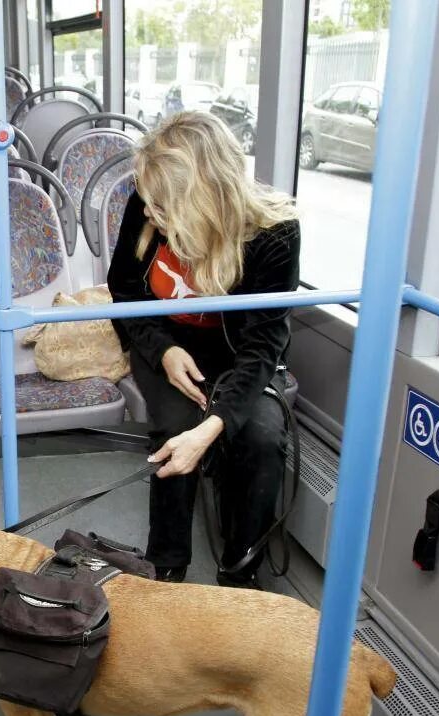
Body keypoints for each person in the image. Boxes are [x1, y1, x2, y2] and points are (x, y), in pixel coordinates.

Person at [106, 111, 300, 590]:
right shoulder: (147, 200)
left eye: (160, 208)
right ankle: (166, 567)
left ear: (199, 202)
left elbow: (261, 346)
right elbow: (125, 290)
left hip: (240, 354)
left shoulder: (275, 234)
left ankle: (240, 571)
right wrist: (164, 351)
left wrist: (214, 424)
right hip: (165, 340)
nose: (147, 214)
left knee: (261, 438)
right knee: (174, 425)